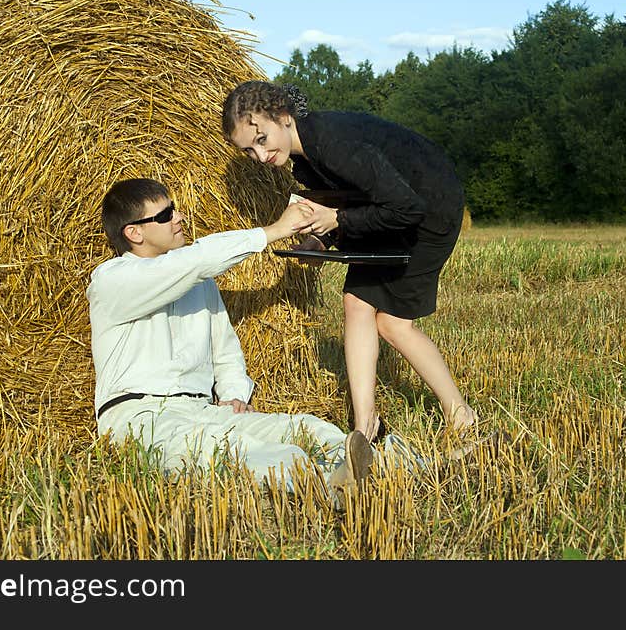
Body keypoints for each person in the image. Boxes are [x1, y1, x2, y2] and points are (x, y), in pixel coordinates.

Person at [87, 177, 375, 501]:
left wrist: (234, 394)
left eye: (174, 208)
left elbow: (224, 350)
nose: (179, 217)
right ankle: (331, 488)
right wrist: (274, 231)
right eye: (165, 215)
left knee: (306, 427)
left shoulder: (200, 283)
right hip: (139, 418)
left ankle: (383, 467)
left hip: (202, 409)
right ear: (134, 233)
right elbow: (196, 261)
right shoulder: (111, 281)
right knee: (241, 452)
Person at [222, 80, 476, 444]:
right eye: (248, 150)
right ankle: (365, 425)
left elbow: (405, 207)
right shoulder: (303, 159)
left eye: (261, 140)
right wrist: (322, 240)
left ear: (283, 116)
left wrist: (338, 222)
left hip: (431, 210)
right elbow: (355, 199)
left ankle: (461, 415)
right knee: (356, 303)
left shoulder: (334, 144)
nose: (260, 157)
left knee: (393, 324)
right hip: (396, 210)